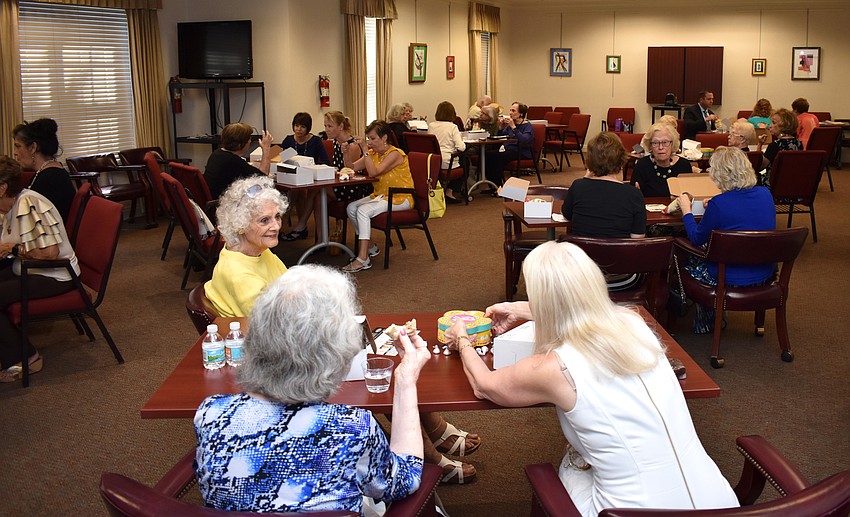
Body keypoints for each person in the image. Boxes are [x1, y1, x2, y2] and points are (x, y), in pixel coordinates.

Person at [442, 241, 740, 517]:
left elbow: (484, 386)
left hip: (630, 511)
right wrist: (521, 310)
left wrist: (463, 339)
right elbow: (585, 310)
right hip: (719, 502)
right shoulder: (635, 321)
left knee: (573, 457)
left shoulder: (554, 368)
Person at [194, 265, 430, 514]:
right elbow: (406, 480)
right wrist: (405, 380)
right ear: (336, 357)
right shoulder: (351, 428)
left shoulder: (210, 414)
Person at [674, 146, 776, 334]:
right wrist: (716, 202)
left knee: (684, 254)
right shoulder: (765, 195)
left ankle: (706, 322)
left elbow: (696, 238)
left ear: (719, 174)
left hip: (726, 278)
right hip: (764, 274)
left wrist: (686, 210)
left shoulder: (719, 205)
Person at [0, 156, 79, 382]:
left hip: (56, 274)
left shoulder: (29, 203)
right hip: (30, 269)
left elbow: (50, 253)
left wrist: (13, 249)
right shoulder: (12, 205)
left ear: (3, 188)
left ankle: (27, 357)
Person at [204, 176, 289, 318]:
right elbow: (274, 324)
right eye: (264, 220)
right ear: (240, 226)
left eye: (277, 216)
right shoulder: (239, 275)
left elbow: (288, 284)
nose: (276, 226)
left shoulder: (258, 250)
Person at [342, 121, 414, 273]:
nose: (370, 142)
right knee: (351, 208)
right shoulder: (374, 154)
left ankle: (363, 258)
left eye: (373, 138)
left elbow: (374, 172)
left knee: (363, 211)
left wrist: (364, 149)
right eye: (368, 138)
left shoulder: (395, 154)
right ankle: (370, 247)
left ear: (384, 138)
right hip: (381, 196)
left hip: (400, 197)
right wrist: (346, 153)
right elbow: (352, 167)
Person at [282, 111, 366, 242]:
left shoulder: (352, 146)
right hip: (338, 184)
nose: (326, 129)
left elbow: (350, 173)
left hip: (351, 187)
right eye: (325, 126)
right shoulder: (336, 143)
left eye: (330, 126)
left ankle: (301, 226)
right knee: (317, 197)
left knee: (315, 188)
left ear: (341, 126)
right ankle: (321, 241)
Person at [563, 132, 646, 239]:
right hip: (619, 253)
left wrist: (586, 176)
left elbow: (566, 215)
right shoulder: (633, 194)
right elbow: (637, 238)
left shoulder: (578, 186)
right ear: (621, 160)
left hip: (582, 253)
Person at [11, 118, 75, 221]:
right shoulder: (48, 172)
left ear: (33, 148)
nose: (15, 152)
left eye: (18, 146)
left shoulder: (50, 179)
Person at [203, 122, 273, 199]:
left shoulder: (216, 154)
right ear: (240, 144)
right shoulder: (232, 161)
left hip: (213, 200)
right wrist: (266, 148)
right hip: (225, 204)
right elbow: (263, 177)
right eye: (249, 139)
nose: (250, 141)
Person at [483, 102, 533, 194]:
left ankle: (499, 187)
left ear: (520, 114)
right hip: (508, 149)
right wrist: (500, 126)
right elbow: (499, 136)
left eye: (513, 111)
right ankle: (493, 185)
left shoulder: (527, 126)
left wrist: (513, 127)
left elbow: (524, 140)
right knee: (487, 155)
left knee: (497, 158)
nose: (510, 113)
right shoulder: (510, 125)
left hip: (520, 151)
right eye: (510, 110)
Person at [630, 122, 692, 197]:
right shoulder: (641, 166)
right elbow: (633, 198)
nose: (660, 147)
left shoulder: (684, 165)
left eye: (665, 142)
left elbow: (690, 197)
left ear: (672, 144)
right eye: (655, 143)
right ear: (650, 146)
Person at [428, 101, 467, 204]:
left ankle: (444, 190)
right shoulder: (452, 127)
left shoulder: (431, 125)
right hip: (447, 162)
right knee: (466, 162)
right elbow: (461, 147)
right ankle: (451, 190)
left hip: (434, 162)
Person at [760, 108, 803, 186]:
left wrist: (760, 145)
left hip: (773, 184)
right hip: (793, 185)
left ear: (784, 125)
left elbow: (760, 166)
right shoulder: (799, 144)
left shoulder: (775, 145)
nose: (770, 126)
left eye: (773, 123)